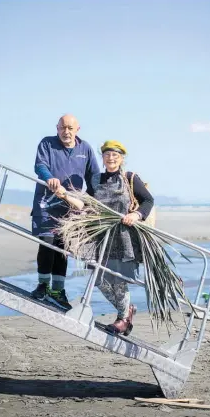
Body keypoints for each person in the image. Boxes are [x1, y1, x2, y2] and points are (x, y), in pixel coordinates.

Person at [31, 114, 100, 310]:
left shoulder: (85, 148)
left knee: (62, 248)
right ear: (57, 128)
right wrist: (49, 178)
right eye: (63, 127)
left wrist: (91, 199)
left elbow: (93, 175)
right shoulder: (47, 144)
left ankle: (58, 290)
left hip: (71, 209)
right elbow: (40, 165)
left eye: (70, 128)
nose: (66, 132)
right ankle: (43, 286)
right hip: (46, 204)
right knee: (47, 243)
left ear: (77, 129)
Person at [91, 140, 154, 335]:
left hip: (124, 236)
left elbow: (148, 200)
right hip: (102, 237)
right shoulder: (95, 179)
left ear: (122, 158)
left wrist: (136, 215)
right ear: (102, 157)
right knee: (99, 279)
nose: (111, 158)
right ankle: (127, 311)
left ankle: (123, 319)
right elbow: (87, 203)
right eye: (107, 154)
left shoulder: (129, 178)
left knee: (118, 280)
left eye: (115, 155)